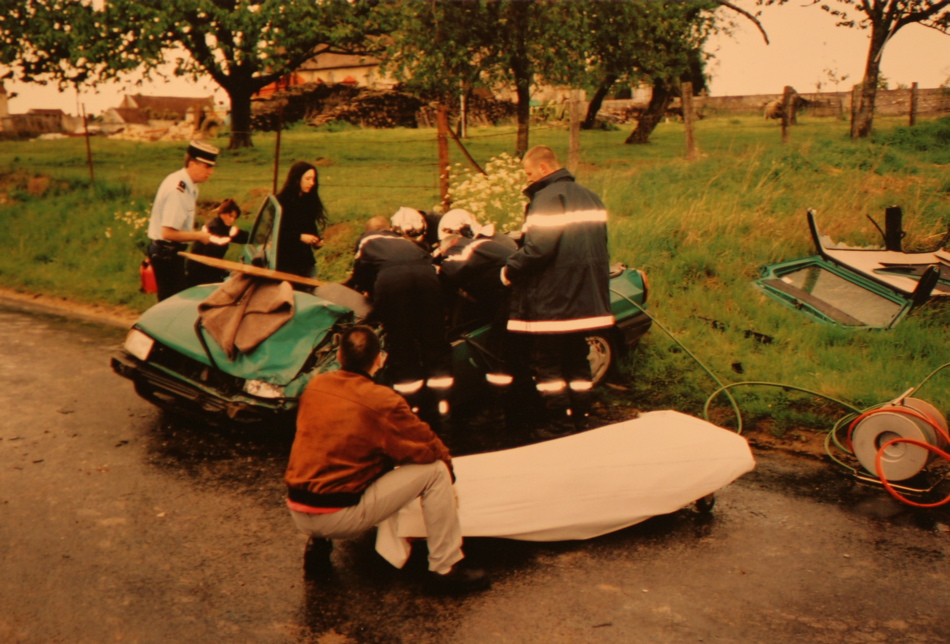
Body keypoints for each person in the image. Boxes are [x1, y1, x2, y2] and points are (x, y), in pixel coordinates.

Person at [284, 325, 489, 594]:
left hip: (297, 507)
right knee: (436, 471)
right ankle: (446, 567)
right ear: (380, 359)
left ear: (340, 357)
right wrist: (449, 470)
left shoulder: (316, 385)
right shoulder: (382, 400)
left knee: (329, 450)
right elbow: (425, 445)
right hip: (338, 516)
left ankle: (318, 548)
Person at [501, 146, 614, 435]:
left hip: (554, 301)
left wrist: (510, 268)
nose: (526, 180)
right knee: (577, 360)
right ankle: (581, 419)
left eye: (527, 173)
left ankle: (559, 426)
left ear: (542, 168)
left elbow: (539, 248)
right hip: (585, 300)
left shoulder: (548, 197)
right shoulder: (591, 196)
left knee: (548, 364)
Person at [347, 208, 454, 427]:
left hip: (393, 283)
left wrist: (369, 292)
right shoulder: (407, 242)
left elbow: (361, 273)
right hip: (427, 279)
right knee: (434, 343)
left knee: (403, 346)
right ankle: (443, 409)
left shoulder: (366, 241)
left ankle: (410, 410)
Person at [146, 140, 219, 301]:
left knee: (172, 300)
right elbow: (168, 232)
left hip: (169, 252)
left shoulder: (186, 184)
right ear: (192, 164)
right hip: (166, 253)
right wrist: (199, 236)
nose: (211, 172)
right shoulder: (178, 191)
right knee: (171, 303)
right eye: (207, 167)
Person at [275, 161, 327, 282]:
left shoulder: (309, 200)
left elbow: (310, 227)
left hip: (306, 260)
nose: (312, 183)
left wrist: (316, 240)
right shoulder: (281, 202)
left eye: (313, 179)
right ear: (297, 179)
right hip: (286, 261)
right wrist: (299, 237)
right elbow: (277, 232)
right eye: (308, 179)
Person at [184, 198, 249, 286]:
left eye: (235, 217)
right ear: (222, 213)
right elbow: (210, 256)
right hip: (199, 270)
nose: (232, 220)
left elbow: (244, 237)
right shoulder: (213, 228)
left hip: (209, 268)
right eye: (230, 215)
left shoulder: (226, 228)